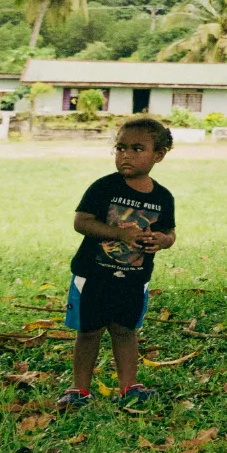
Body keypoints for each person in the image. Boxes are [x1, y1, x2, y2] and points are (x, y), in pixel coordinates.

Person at [61, 116, 178, 408]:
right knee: (88, 332)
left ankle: (129, 387)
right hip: (93, 274)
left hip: (134, 278)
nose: (126, 155)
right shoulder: (104, 187)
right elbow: (81, 222)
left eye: (137, 149)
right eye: (121, 148)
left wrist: (161, 240)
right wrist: (119, 234)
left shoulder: (163, 197)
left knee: (125, 330)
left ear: (159, 155)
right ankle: (79, 390)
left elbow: (169, 232)